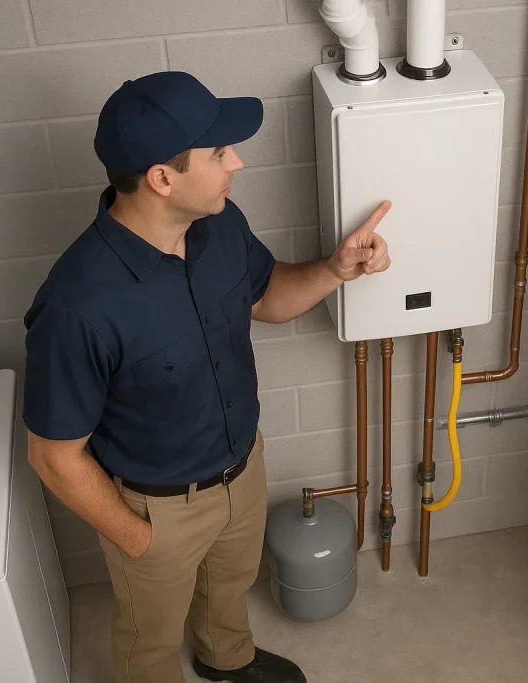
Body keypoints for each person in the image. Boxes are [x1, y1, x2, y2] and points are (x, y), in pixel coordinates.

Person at [22, 71, 391, 683]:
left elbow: (267, 295)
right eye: (219, 152)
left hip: (241, 471)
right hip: (155, 509)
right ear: (163, 179)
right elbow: (54, 456)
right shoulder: (77, 306)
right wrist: (138, 539)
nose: (237, 163)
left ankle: (228, 663)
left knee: (230, 589)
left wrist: (336, 269)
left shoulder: (219, 226)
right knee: (150, 641)